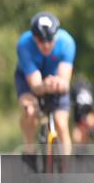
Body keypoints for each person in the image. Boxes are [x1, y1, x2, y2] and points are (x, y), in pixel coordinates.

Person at [16, 12, 76, 161]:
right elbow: (35, 85)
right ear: (34, 37)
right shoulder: (24, 44)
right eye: (41, 40)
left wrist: (58, 84)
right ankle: (29, 150)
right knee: (30, 110)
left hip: (55, 79)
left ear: (56, 35)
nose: (46, 44)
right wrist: (44, 86)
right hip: (29, 79)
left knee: (61, 123)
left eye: (50, 39)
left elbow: (65, 82)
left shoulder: (67, 42)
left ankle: (67, 165)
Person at [70, 75, 94, 146]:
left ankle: (81, 147)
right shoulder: (89, 86)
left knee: (78, 138)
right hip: (88, 115)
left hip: (81, 115)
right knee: (83, 136)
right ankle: (85, 144)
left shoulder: (75, 87)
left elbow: (72, 104)